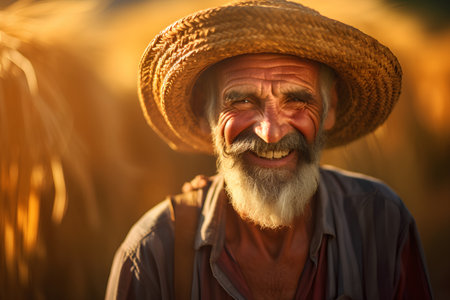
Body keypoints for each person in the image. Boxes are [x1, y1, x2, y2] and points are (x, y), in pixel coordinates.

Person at [106, 0, 433, 299]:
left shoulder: (381, 224)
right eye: (243, 101)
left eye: (297, 101)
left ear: (330, 109)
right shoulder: (153, 252)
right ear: (205, 114)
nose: (271, 133)